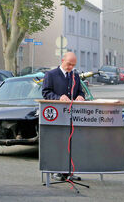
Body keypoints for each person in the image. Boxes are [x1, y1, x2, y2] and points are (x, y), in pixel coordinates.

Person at [41, 52, 85, 182]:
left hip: (72, 115)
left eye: (73, 65)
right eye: (69, 64)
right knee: (58, 144)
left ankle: (69, 171)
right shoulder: (51, 74)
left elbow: (80, 91)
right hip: (56, 115)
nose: (71, 67)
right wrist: (58, 97)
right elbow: (45, 92)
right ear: (62, 60)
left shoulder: (75, 76)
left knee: (71, 144)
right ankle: (57, 170)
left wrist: (81, 96)